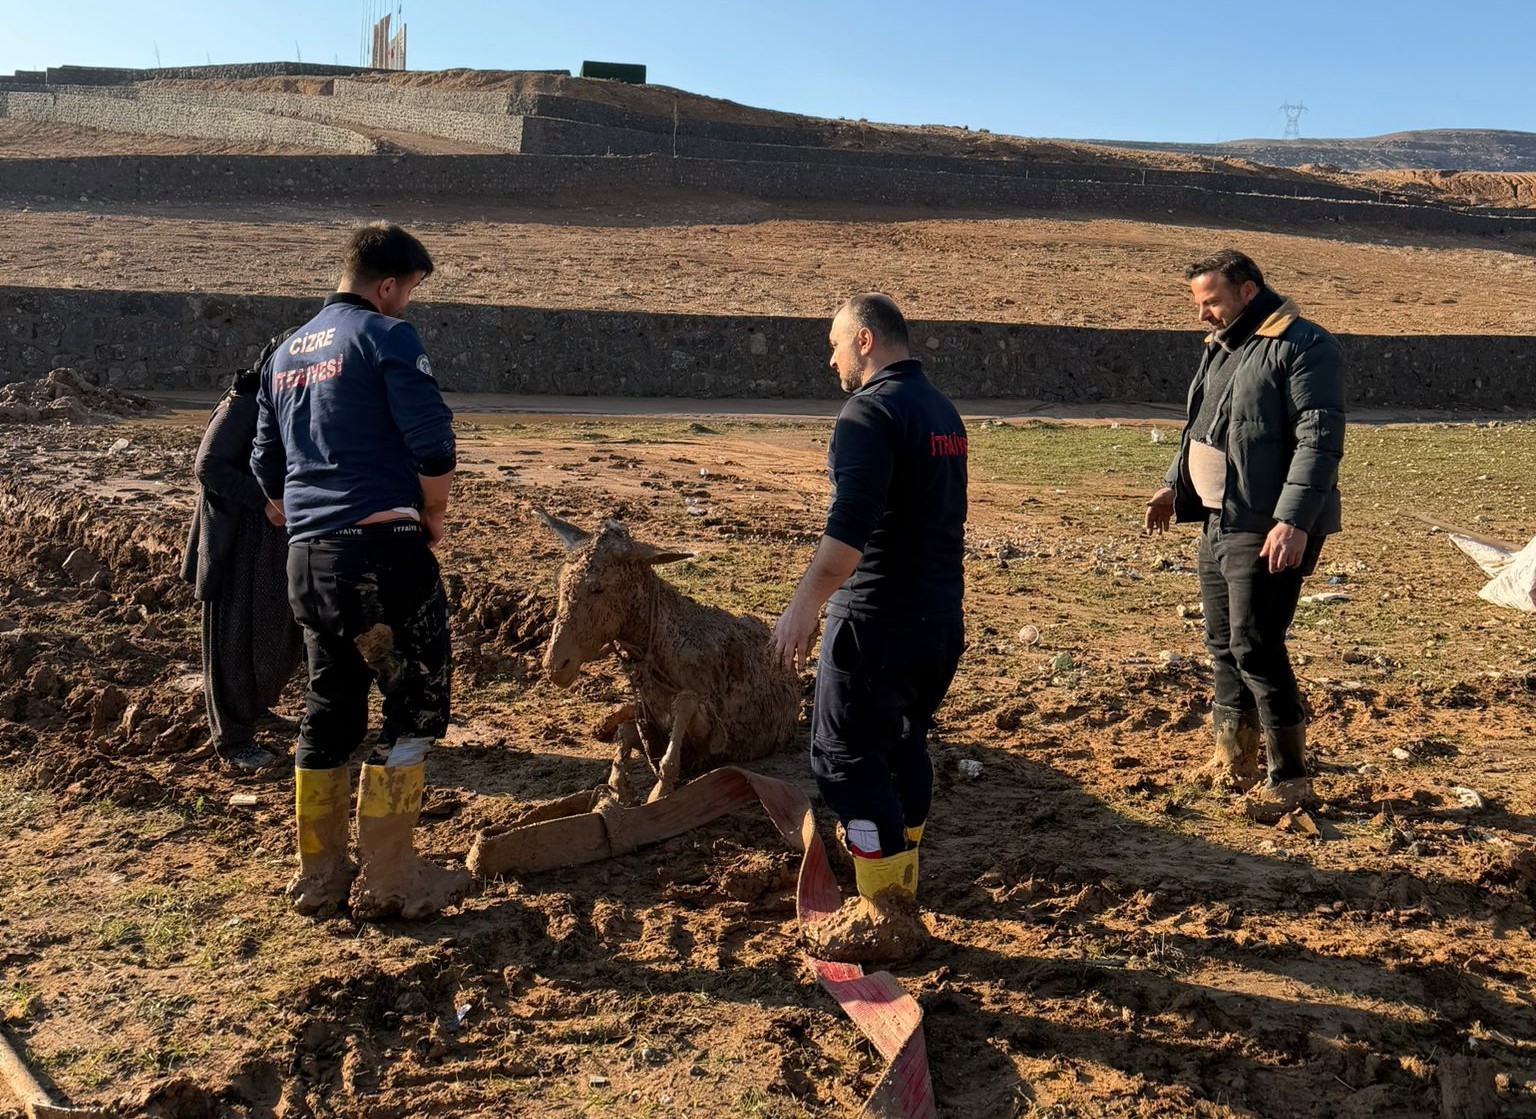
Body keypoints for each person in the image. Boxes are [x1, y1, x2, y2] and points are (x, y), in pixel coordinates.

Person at [252, 222, 467, 921]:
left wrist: (295, 507)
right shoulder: (386, 336)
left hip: (309, 561)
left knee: (329, 706)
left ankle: (319, 876)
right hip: (383, 553)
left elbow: (265, 465)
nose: (406, 302)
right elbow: (432, 441)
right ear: (385, 284)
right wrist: (432, 513)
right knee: (412, 708)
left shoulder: (282, 352)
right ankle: (392, 878)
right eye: (406, 290)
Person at [774, 293, 968, 964]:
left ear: (864, 339)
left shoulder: (868, 411)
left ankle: (885, 912)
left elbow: (849, 532)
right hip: (939, 622)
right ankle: (903, 885)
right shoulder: (942, 411)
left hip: (876, 621)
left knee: (845, 762)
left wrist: (804, 604)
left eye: (834, 342)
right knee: (904, 747)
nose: (828, 357)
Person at [1144, 249, 1345, 822]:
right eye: (1199, 305)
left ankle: (1290, 778)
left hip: (1265, 525)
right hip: (1217, 519)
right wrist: (1172, 485)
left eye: (1212, 302)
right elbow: (1203, 430)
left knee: (1256, 644)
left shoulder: (1304, 346)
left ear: (1248, 291)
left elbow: (1319, 441)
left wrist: (1293, 520)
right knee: (1223, 646)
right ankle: (1232, 757)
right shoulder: (1225, 348)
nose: (1203, 315)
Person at [180, 340, 304, 771]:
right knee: (232, 641)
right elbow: (209, 466)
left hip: (272, 541)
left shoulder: (285, 400)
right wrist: (265, 501)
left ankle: (257, 708)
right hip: (237, 541)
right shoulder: (246, 400)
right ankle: (232, 739)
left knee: (272, 633)